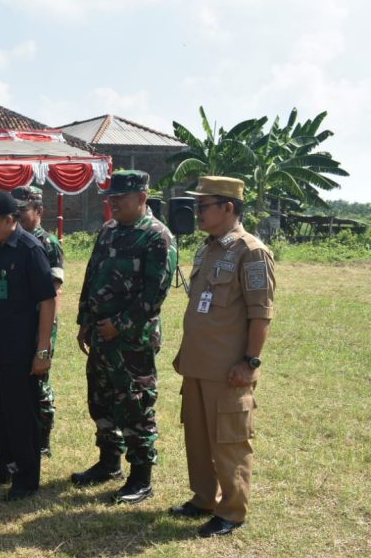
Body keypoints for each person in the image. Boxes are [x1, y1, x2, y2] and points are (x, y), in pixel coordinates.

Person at [171, 176, 275, 537]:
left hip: (229, 370)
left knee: (229, 440)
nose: (196, 212)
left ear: (227, 208)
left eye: (203, 206)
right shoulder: (208, 248)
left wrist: (249, 362)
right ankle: (204, 498)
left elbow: (260, 313)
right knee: (198, 438)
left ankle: (232, 510)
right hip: (198, 364)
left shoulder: (252, 251)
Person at [73, 170, 177, 504]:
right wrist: (85, 320)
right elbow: (92, 276)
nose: (113, 203)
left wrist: (119, 323)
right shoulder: (108, 231)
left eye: (121, 198)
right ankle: (108, 463)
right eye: (110, 198)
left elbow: (154, 295)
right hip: (101, 336)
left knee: (134, 403)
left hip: (133, 340)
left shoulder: (157, 237)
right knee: (101, 400)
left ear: (142, 197)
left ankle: (141, 478)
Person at [0, 190, 57, 502]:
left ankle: (27, 479)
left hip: (21, 347)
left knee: (21, 414)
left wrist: (42, 351)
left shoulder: (30, 249)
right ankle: (4, 467)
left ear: (9, 220)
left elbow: (47, 300)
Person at [12, 185, 65, 457]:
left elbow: (53, 292)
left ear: (39, 211)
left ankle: (42, 438)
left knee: (39, 379)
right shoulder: (13, 240)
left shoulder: (48, 244)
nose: (17, 215)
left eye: (23, 210)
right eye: (15, 210)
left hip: (41, 323)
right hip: (18, 323)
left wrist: (46, 338)